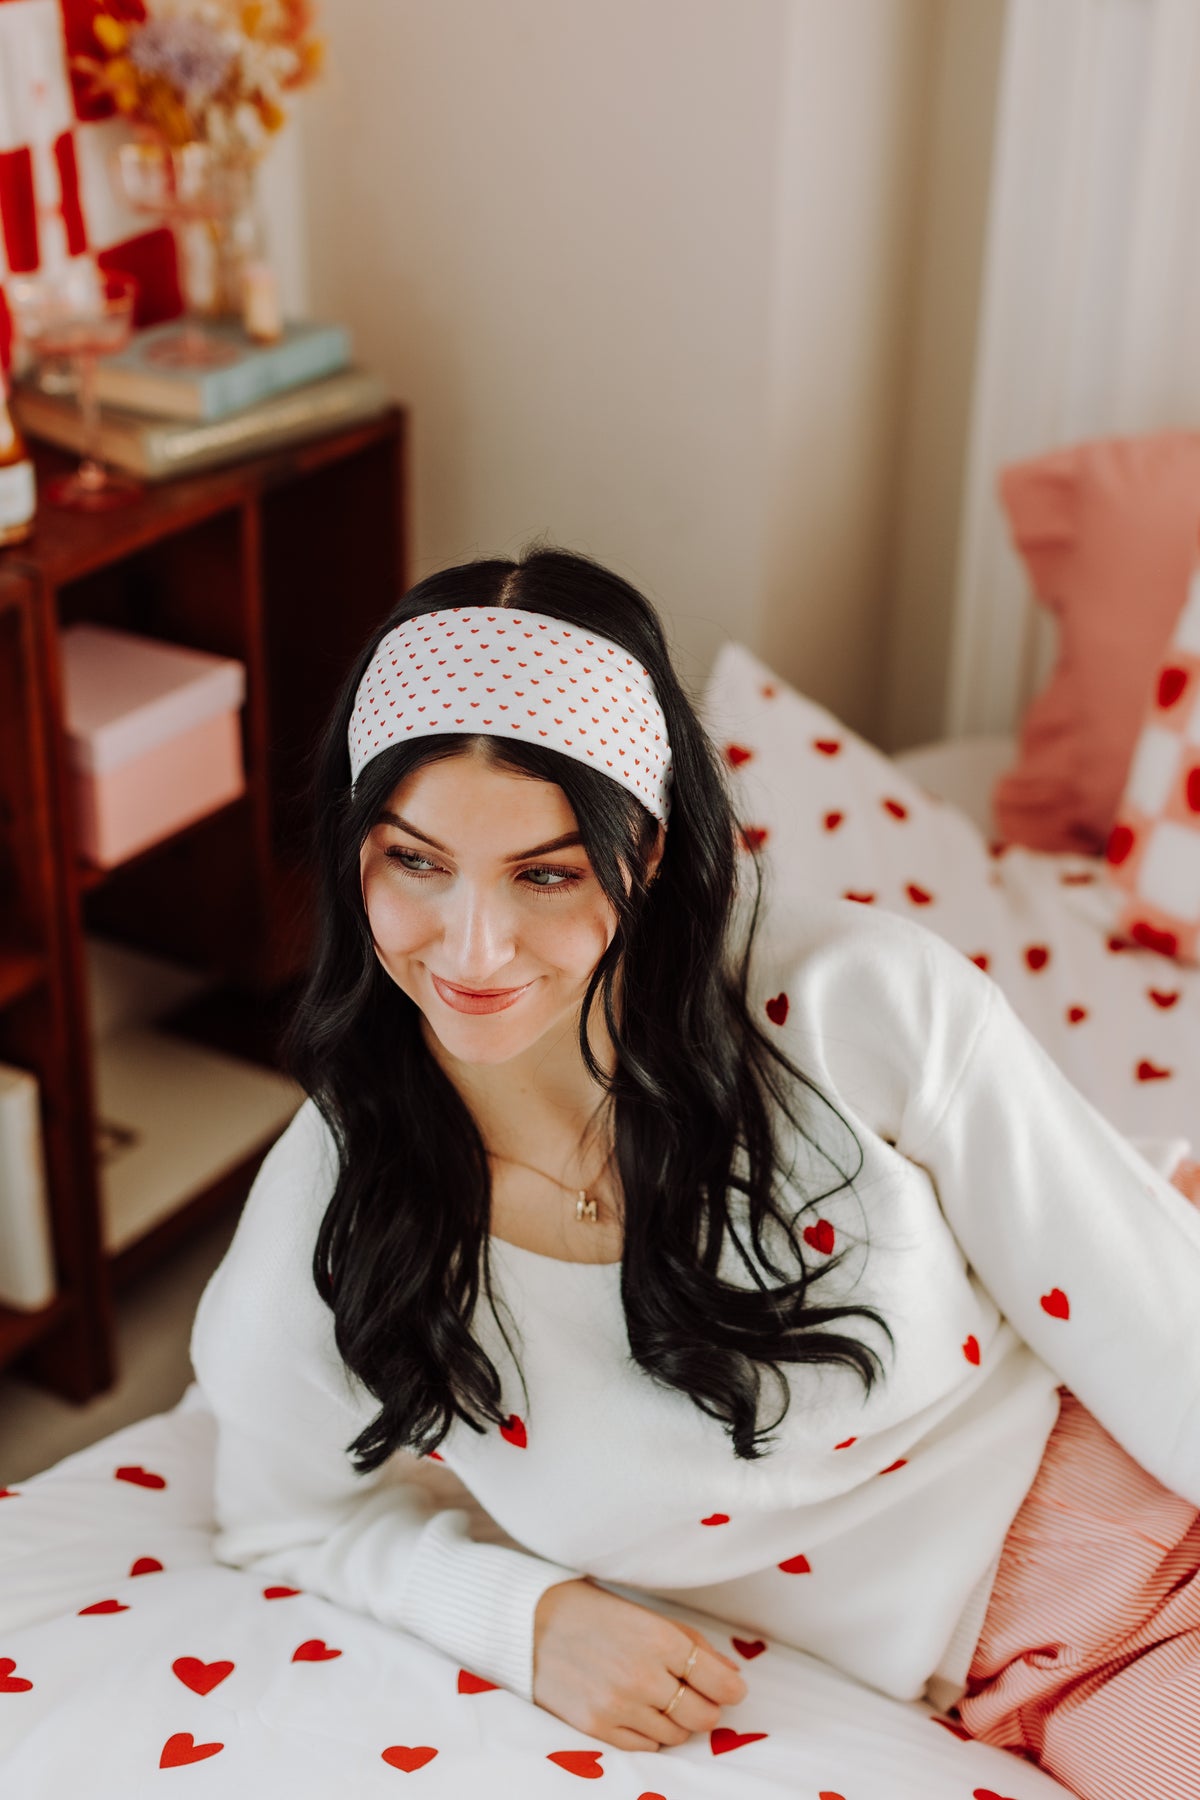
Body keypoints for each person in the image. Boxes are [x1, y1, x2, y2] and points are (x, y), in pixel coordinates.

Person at [190, 545, 1200, 1798]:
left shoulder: (848, 1000)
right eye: (416, 861)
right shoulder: (336, 1214)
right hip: (1058, 1657)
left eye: (546, 874)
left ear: (650, 849)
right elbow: (280, 1515)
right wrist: (526, 1619)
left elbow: (1156, 1319)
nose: (473, 949)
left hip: (1140, 1447)